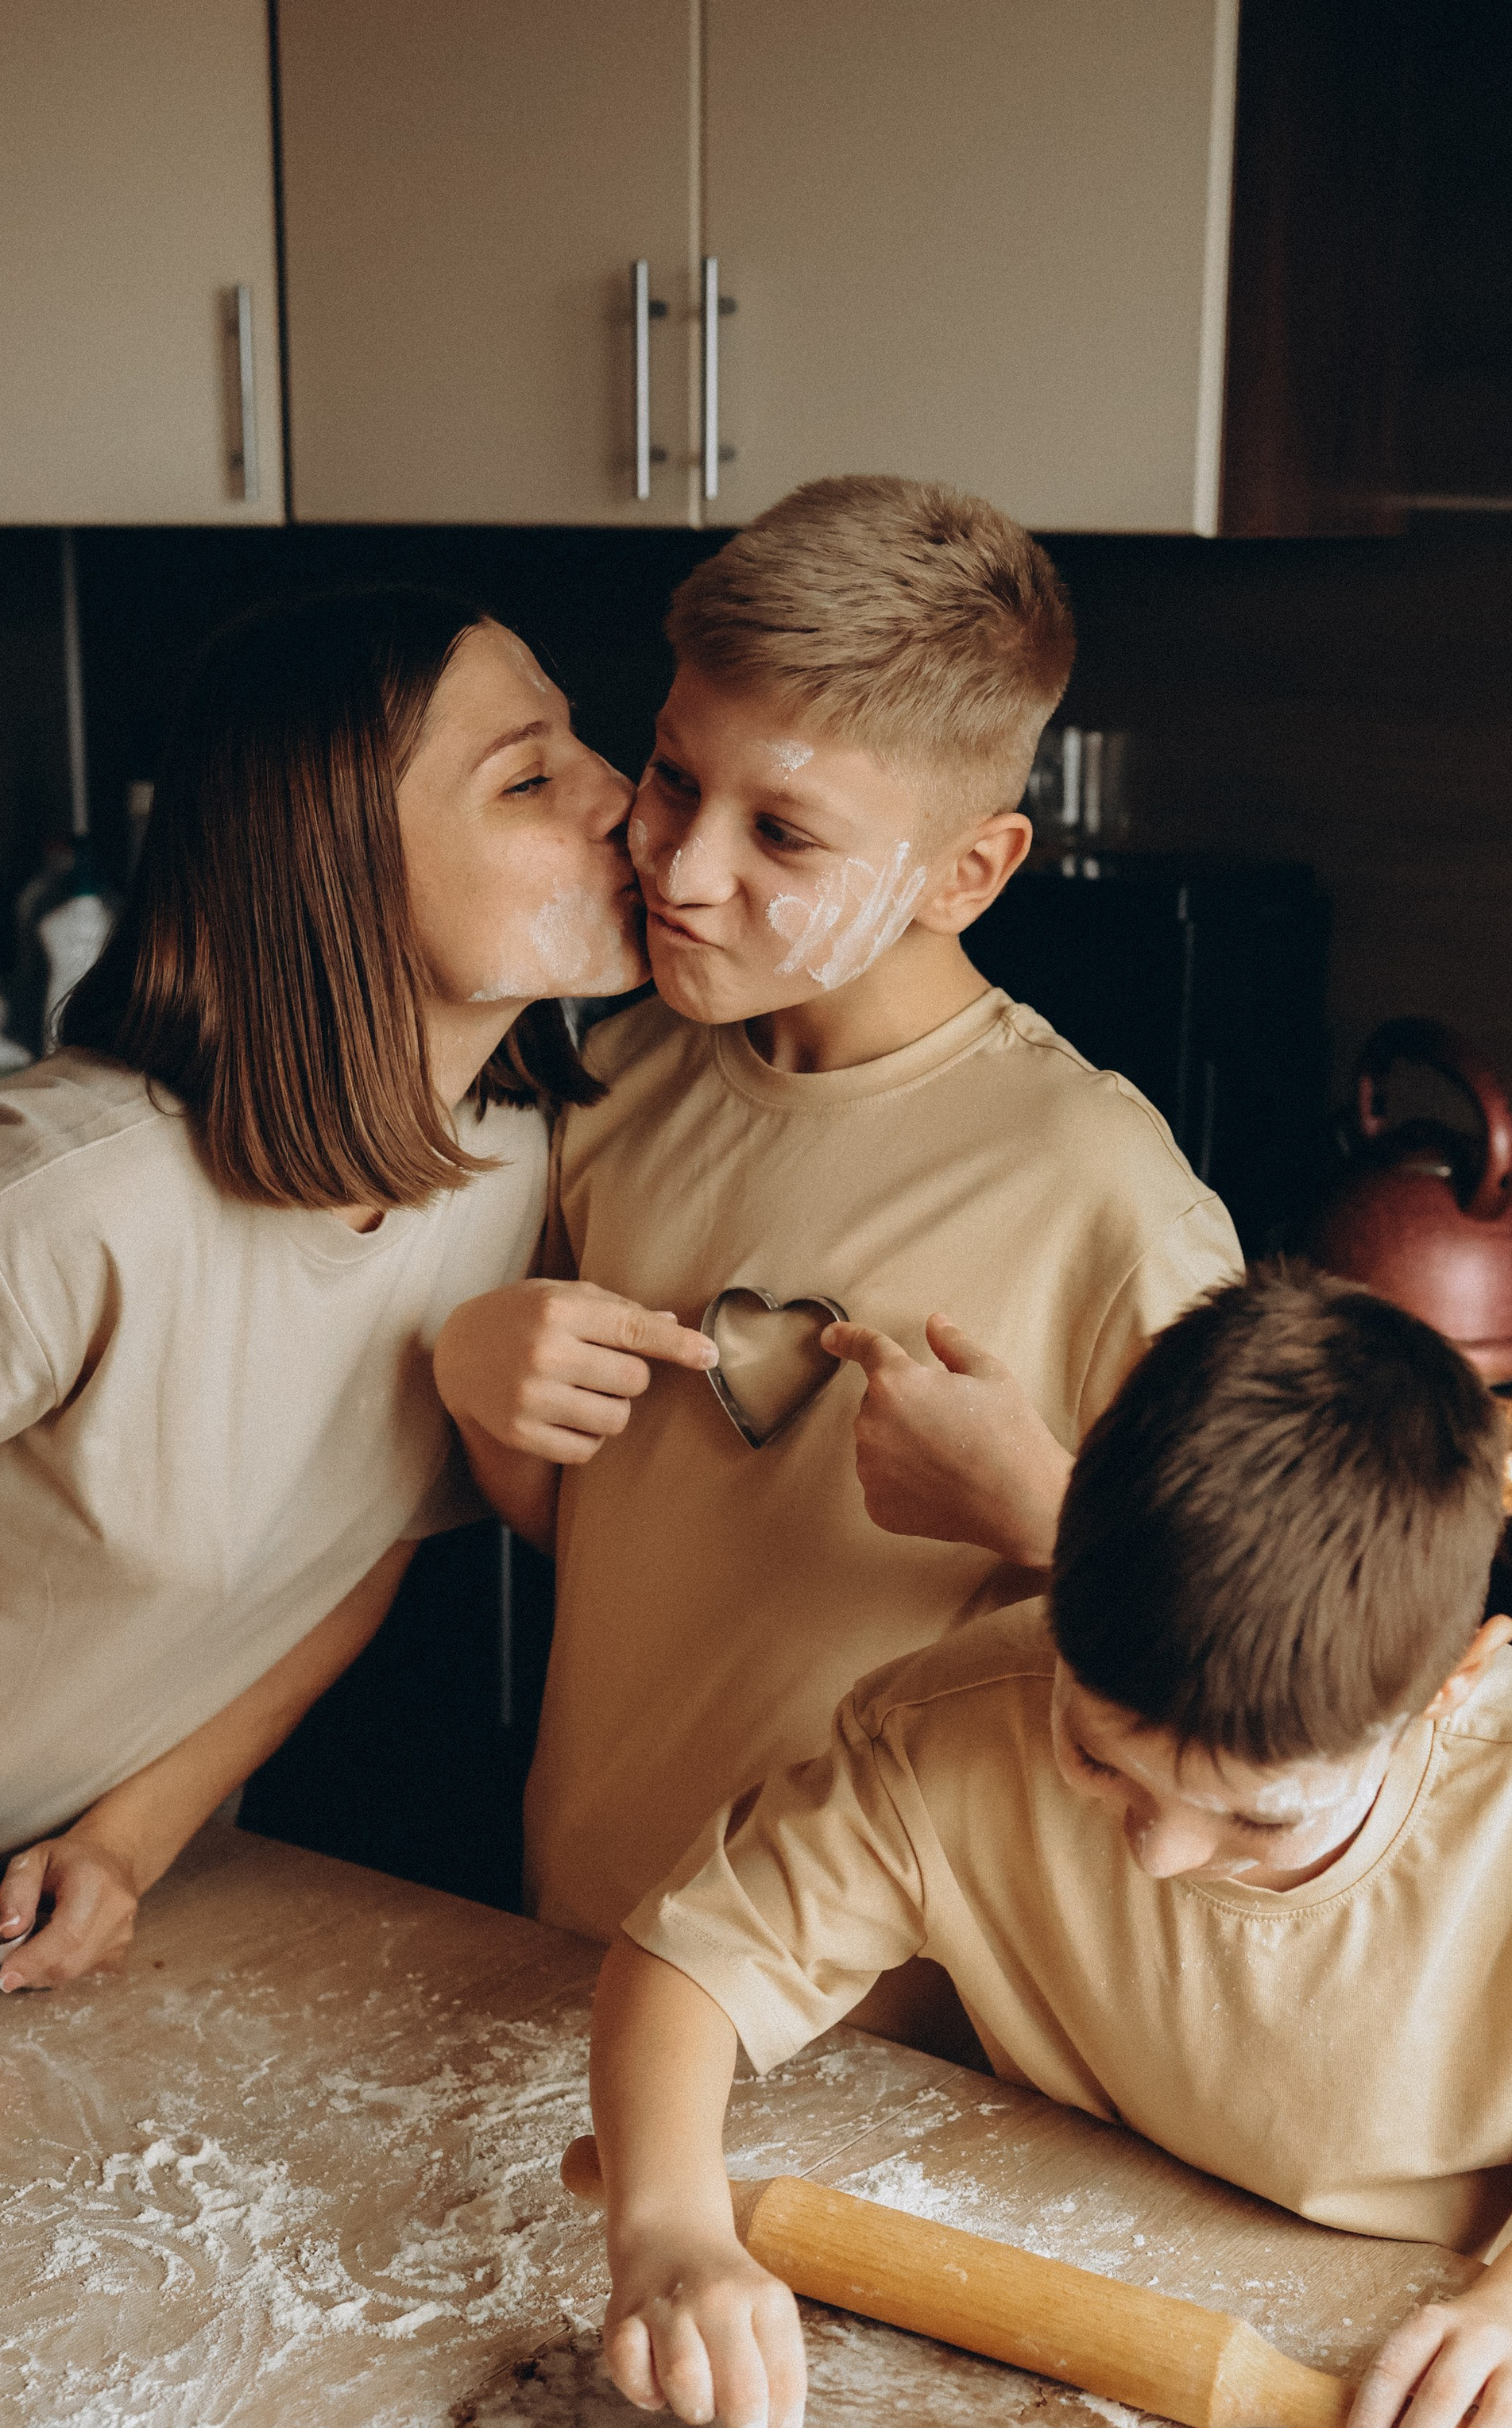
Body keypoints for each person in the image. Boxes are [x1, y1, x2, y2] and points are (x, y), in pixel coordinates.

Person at [586, 1267, 1512, 2428]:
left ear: (1450, 1685)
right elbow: (693, 1961)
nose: (1160, 1853)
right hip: (1077, 2222)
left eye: (1257, 1813)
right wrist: (666, 2224)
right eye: (1098, 1758)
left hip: (1394, 2322)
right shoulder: (953, 1729)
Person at [0, 585, 642, 2024]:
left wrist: (129, 1839)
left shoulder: (504, 1164)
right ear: (333, 869)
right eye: (530, 778)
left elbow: (358, 1552)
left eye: (581, 746)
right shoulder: (58, 1209)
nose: (623, 798)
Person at [432, 476, 1241, 1971]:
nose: (681, 867)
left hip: (904, 2023)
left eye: (785, 836)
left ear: (970, 872)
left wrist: (1038, 1514)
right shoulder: (605, 1080)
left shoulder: (1103, 1193)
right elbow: (616, 1543)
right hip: (589, 1930)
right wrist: (484, 1392)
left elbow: (1257, 1677)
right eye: (675, 778)